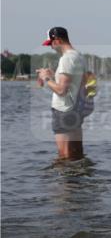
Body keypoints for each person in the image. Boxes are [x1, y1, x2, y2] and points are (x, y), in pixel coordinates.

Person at [36, 27, 86, 160]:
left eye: (51, 44)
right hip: (76, 109)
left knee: (64, 156)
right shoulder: (78, 56)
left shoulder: (66, 59)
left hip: (63, 110)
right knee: (77, 154)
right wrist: (54, 76)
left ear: (57, 40)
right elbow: (81, 83)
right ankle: (79, 173)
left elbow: (61, 90)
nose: (51, 47)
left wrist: (46, 78)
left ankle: (65, 175)